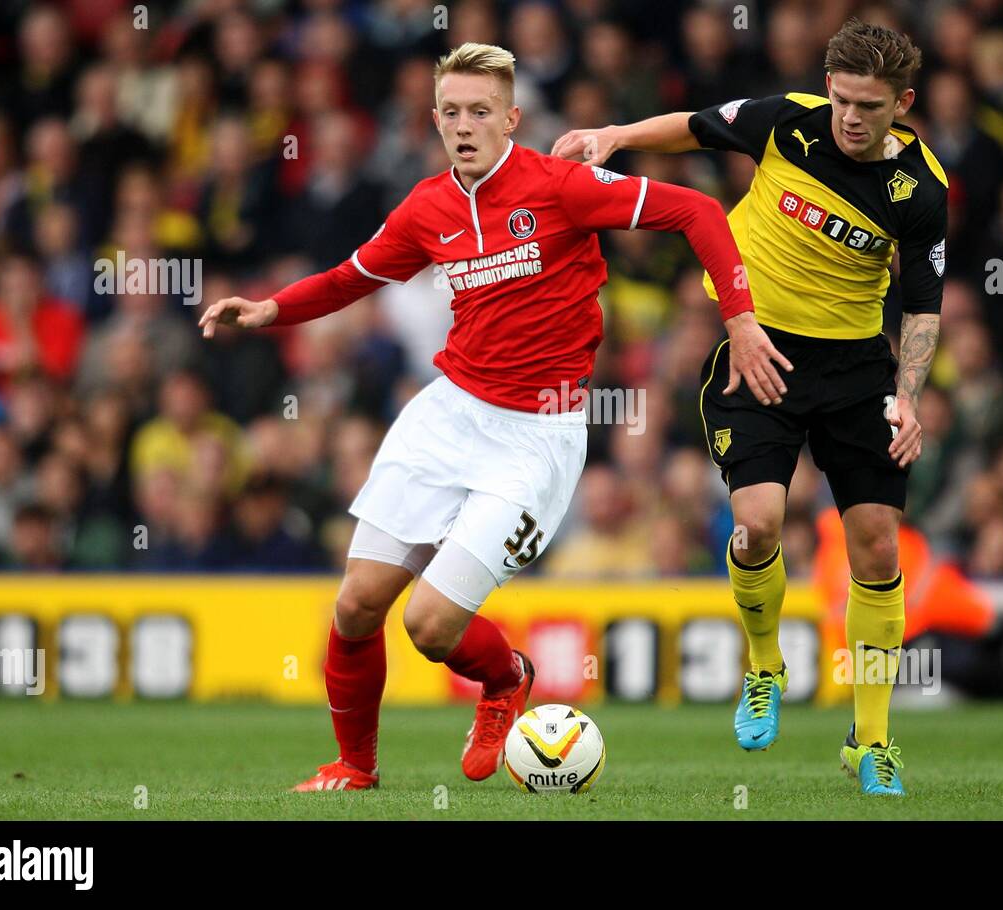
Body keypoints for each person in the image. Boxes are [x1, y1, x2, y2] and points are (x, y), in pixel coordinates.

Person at [199, 43, 786, 791]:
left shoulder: (561, 186)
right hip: (447, 415)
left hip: (535, 438)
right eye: (451, 111)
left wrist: (739, 319)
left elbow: (697, 211)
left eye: (481, 111)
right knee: (355, 607)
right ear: (435, 120)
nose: (464, 125)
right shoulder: (427, 207)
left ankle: (507, 678)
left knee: (429, 625)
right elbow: (352, 278)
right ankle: (354, 767)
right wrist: (270, 309)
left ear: (511, 118)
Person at [553, 19, 948, 796]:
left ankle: (871, 741)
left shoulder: (921, 190)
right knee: (758, 524)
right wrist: (615, 134)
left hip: (857, 370)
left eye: (870, 106)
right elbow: (697, 128)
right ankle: (764, 665)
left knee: (874, 547)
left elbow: (925, 306)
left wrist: (907, 398)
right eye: (842, 99)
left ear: (902, 102)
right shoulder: (790, 121)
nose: (850, 118)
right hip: (755, 351)